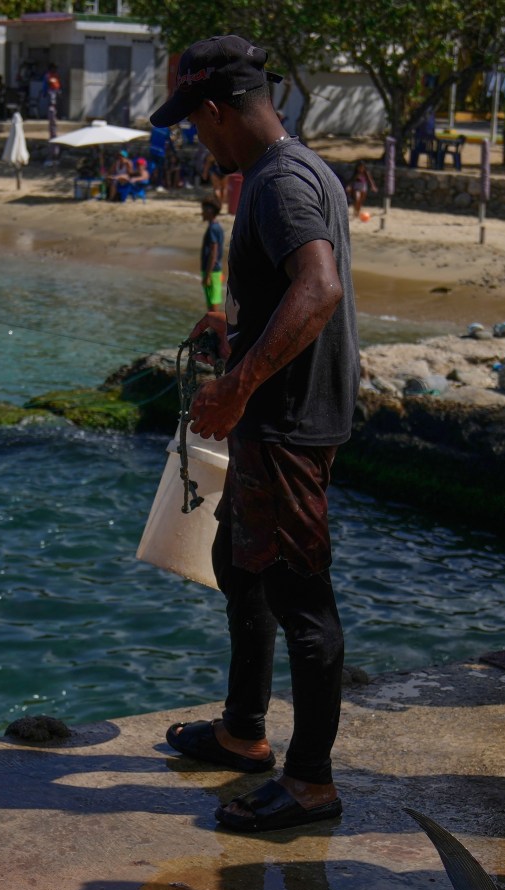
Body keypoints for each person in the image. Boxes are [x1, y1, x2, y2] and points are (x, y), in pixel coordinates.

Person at [153, 35, 359, 834]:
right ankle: (243, 731)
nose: (199, 139)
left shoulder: (278, 184)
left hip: (289, 420)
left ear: (216, 111)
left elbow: (319, 287)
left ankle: (311, 783)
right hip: (275, 414)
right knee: (239, 566)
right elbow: (291, 293)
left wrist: (238, 386)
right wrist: (234, 337)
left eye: (196, 125)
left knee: (302, 596)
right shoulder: (289, 171)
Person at [198, 195, 227, 313]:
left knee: (213, 304)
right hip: (214, 270)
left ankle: (216, 330)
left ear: (210, 211)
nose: (202, 213)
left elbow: (213, 253)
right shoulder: (216, 227)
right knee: (212, 303)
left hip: (212, 271)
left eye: (204, 210)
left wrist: (207, 275)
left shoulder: (213, 229)